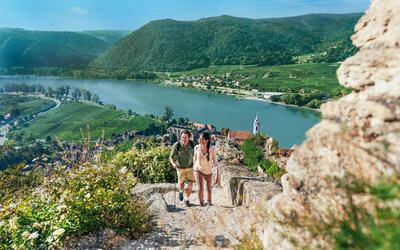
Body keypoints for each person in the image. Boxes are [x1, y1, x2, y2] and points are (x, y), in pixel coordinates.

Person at [169, 130, 196, 206]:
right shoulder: (177, 145)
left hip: (190, 167)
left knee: (190, 185)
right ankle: (181, 191)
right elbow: (171, 156)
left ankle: (186, 199)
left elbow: (198, 151)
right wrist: (173, 163)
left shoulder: (192, 144)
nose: (184, 139)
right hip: (180, 168)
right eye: (182, 137)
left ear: (189, 138)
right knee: (181, 185)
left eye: (185, 137)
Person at [193, 132, 219, 207]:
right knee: (200, 188)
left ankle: (209, 202)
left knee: (208, 187)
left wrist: (217, 175)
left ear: (207, 140)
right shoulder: (197, 148)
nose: (199, 140)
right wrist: (194, 168)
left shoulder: (212, 149)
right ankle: (201, 203)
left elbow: (215, 162)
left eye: (201, 139)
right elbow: (194, 159)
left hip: (208, 171)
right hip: (198, 169)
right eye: (199, 138)